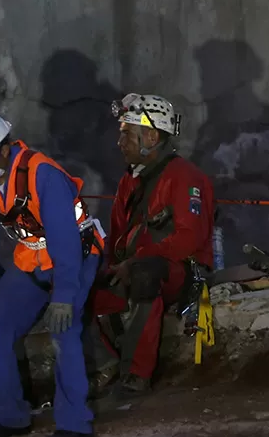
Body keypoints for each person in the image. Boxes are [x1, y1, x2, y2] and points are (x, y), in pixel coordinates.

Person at [0, 108, 102, 437]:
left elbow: (66, 238)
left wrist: (64, 295)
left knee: (63, 328)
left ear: (4, 148)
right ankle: (9, 417)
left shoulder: (44, 175)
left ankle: (75, 423)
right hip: (33, 258)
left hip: (76, 256)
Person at [90, 94, 214, 405]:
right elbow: (116, 239)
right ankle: (104, 368)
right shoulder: (128, 183)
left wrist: (135, 262)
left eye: (126, 134)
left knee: (144, 275)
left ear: (152, 136)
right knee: (78, 285)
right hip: (137, 266)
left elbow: (191, 237)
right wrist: (106, 268)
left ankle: (135, 378)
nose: (120, 142)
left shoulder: (184, 176)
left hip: (180, 271)